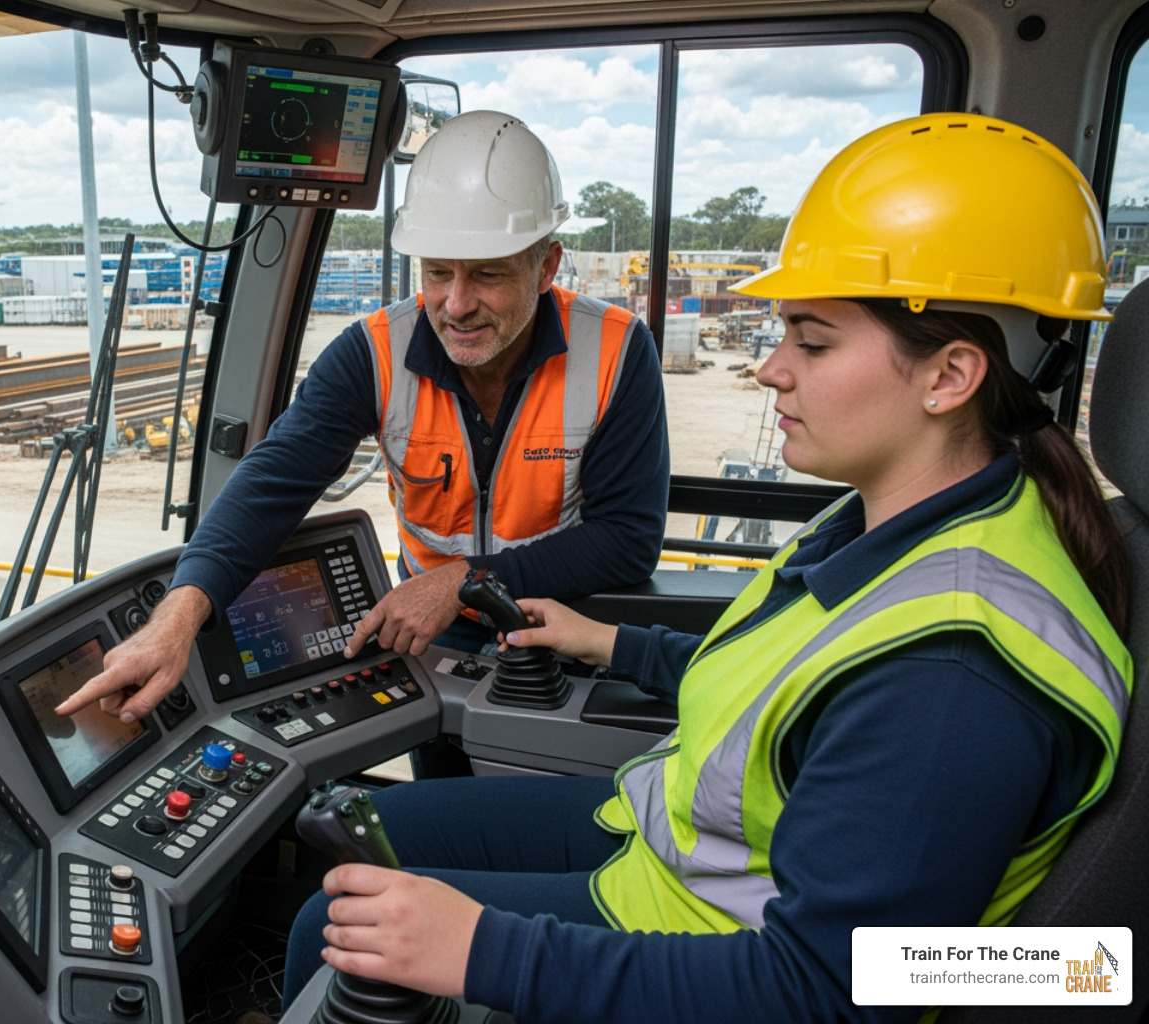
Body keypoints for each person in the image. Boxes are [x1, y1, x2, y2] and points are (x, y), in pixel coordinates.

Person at [280, 113, 1134, 1023]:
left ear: (951, 375)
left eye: (812, 341)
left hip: (710, 925)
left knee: (334, 922)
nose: (769, 370)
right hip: (680, 845)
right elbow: (798, 694)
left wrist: (487, 951)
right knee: (360, 867)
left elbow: (831, 993)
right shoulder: (901, 523)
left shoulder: (957, 675)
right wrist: (617, 644)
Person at [57, 111, 669, 728]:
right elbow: (272, 481)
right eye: (436, 272)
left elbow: (627, 538)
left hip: (560, 628)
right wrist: (179, 615)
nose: (455, 305)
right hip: (434, 638)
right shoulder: (373, 352)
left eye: (486, 274)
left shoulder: (616, 351)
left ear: (545, 266)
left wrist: (463, 580)